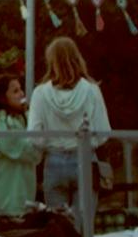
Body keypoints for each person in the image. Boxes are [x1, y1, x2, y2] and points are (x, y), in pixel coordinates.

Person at [27, 37, 111, 223]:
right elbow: (103, 131)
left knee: (58, 223)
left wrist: (48, 144)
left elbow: (34, 136)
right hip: (85, 158)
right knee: (83, 224)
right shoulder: (91, 90)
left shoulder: (40, 93)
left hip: (54, 161)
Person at [0, 72, 42, 222]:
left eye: (21, 89)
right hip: (7, 195)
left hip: (23, 191)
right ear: (2, 97)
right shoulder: (2, 121)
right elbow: (30, 150)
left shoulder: (21, 117)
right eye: (15, 91)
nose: (21, 94)